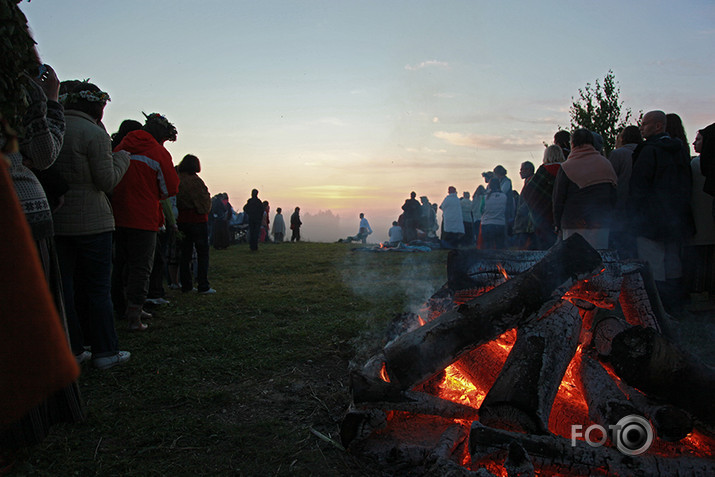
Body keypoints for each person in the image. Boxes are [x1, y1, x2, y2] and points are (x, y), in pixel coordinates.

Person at [1, 28, 84, 448]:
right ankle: (31, 420)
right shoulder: (17, 86)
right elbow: (44, 151)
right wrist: (49, 99)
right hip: (17, 206)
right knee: (32, 313)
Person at [52, 80, 132, 368]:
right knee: (98, 290)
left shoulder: (54, 129)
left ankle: (74, 347)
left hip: (58, 222)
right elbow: (106, 180)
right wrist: (122, 159)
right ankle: (105, 351)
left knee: (66, 289)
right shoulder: (93, 133)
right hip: (93, 222)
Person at [112, 112, 179, 330]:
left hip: (116, 215)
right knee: (141, 267)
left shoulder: (121, 147)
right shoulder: (158, 153)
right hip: (144, 217)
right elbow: (170, 188)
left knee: (120, 264)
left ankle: (122, 307)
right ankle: (134, 316)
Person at [629, 111, 694, 311]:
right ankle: (675, 304)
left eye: (645, 124)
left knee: (653, 264)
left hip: (651, 220)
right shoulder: (680, 151)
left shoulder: (649, 151)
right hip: (675, 217)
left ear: (658, 126)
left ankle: (655, 308)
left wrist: (634, 215)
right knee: (673, 262)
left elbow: (638, 187)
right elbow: (687, 183)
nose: (641, 128)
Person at [553, 128, 617, 250]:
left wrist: (557, 224)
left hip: (573, 224)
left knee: (574, 261)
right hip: (600, 224)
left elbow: (558, 199)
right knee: (598, 261)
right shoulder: (606, 164)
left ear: (573, 143)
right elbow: (614, 196)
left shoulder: (567, 167)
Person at [683, 126, 715, 300]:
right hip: (705, 219)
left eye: (699, 139)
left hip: (700, 218)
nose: (694, 143)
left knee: (701, 257)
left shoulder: (697, 165)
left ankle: (698, 291)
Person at [176, 154, 214, 294]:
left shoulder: (178, 179)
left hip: (182, 220)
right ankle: (203, 285)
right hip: (198, 220)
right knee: (202, 253)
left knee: (185, 254)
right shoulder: (195, 182)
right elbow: (204, 203)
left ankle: (186, 285)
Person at [521, 145, 565, 249]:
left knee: (545, 250)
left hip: (544, 219)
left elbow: (528, 193)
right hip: (563, 217)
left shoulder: (542, 171)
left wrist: (537, 212)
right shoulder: (566, 169)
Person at [608, 125, 642, 256]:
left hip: (620, 204)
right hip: (639, 205)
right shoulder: (644, 151)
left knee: (620, 243)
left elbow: (610, 178)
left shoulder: (618, 154)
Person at [512, 161, 536, 249]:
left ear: (528, 170)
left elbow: (526, 203)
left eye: (522, 169)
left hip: (528, 224)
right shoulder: (528, 182)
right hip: (526, 223)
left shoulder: (532, 183)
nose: (520, 172)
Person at [480, 178, 508, 249]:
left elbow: (481, 210)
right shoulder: (504, 196)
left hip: (487, 223)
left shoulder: (485, 197)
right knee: (500, 247)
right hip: (500, 223)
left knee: (488, 247)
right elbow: (507, 210)